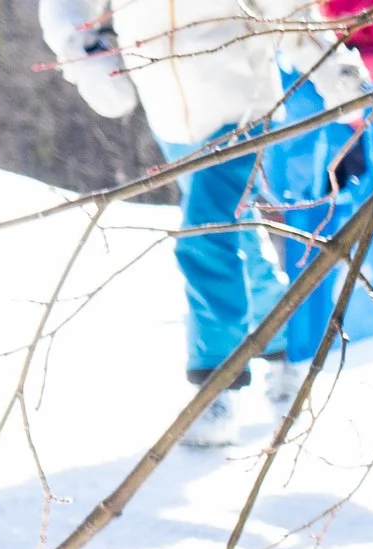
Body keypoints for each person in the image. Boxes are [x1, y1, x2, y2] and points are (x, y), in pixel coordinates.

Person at [38, 0, 324, 444]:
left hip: (240, 110)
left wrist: (339, 74)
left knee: (206, 239)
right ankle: (283, 344)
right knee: (235, 236)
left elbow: (292, 10)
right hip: (171, 113)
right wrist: (84, 51)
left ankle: (217, 384)